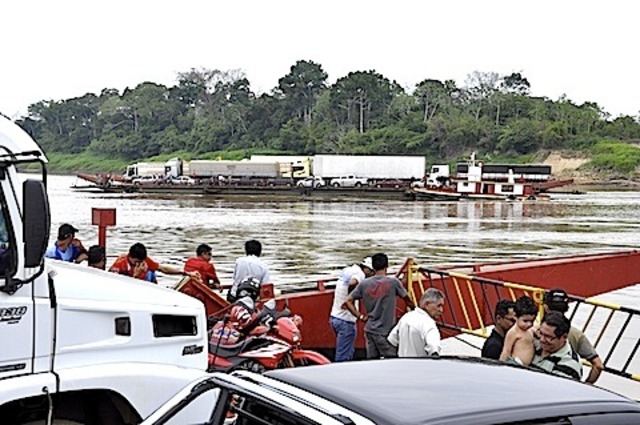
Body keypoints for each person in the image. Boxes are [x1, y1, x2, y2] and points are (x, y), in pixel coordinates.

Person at [342, 253, 416, 359]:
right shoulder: (393, 282)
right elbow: (408, 300)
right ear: (387, 266)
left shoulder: (364, 284)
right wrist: (414, 311)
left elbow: (348, 301)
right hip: (385, 332)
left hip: (369, 330)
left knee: (372, 362)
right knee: (392, 361)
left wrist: (360, 316)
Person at [544, 288, 604, 384]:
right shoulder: (576, 334)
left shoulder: (536, 330)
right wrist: (586, 384)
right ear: (567, 308)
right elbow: (598, 365)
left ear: (546, 307)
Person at [329, 257, 375, 362]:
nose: (371, 275)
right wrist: (351, 300)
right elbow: (353, 283)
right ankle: (341, 375)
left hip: (335, 317)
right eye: (371, 272)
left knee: (345, 350)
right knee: (344, 356)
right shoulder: (360, 275)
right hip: (346, 320)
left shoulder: (349, 269)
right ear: (367, 269)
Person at [387, 288, 445, 357]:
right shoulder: (429, 324)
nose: (441, 310)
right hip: (420, 366)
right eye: (438, 306)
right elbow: (434, 349)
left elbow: (392, 340)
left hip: (402, 364)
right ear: (427, 304)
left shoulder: (406, 317)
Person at [108, 242, 199, 283]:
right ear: (130, 257)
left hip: (144, 286)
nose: (139, 264)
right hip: (129, 287)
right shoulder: (119, 265)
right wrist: (135, 275)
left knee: (151, 273)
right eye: (137, 262)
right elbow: (113, 285)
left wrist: (185, 273)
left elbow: (163, 269)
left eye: (141, 261)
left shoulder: (145, 261)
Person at [531, 311, 583, 380]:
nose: (542, 340)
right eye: (541, 333)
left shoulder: (570, 366)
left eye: (548, 337)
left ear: (564, 337)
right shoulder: (535, 340)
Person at [499, 295, 537, 366]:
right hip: (516, 364)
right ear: (515, 316)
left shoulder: (530, 330)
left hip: (528, 366)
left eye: (532, 321)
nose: (529, 324)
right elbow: (506, 351)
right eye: (525, 321)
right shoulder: (513, 332)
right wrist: (501, 365)